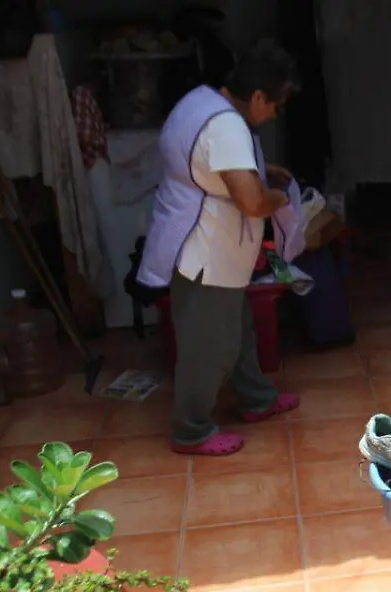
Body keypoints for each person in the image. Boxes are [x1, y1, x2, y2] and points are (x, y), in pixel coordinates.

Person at [137, 43, 303, 457]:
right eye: (276, 104)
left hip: (208, 247)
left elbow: (217, 166)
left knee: (240, 328)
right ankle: (191, 428)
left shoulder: (202, 100)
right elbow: (250, 202)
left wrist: (264, 173)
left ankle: (257, 398)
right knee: (209, 348)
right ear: (259, 97)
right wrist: (278, 199)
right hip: (205, 254)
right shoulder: (227, 127)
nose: (275, 113)